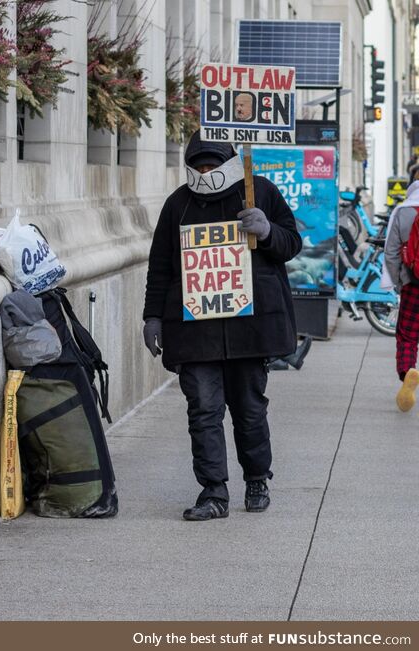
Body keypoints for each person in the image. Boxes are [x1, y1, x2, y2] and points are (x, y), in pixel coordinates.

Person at [142, 130, 302, 520]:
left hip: (249, 331)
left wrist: (266, 231)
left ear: (229, 161)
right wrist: (152, 316)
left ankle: (256, 478)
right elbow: (160, 266)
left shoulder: (259, 191)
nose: (207, 171)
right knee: (203, 409)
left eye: (214, 164)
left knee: (249, 409)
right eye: (200, 166)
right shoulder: (177, 205)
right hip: (195, 333)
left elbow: (291, 243)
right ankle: (213, 492)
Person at [383, 178, 419, 411]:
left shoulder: (403, 210)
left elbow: (391, 252)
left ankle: (408, 372)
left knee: (407, 336)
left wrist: (398, 282)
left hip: (413, 283)